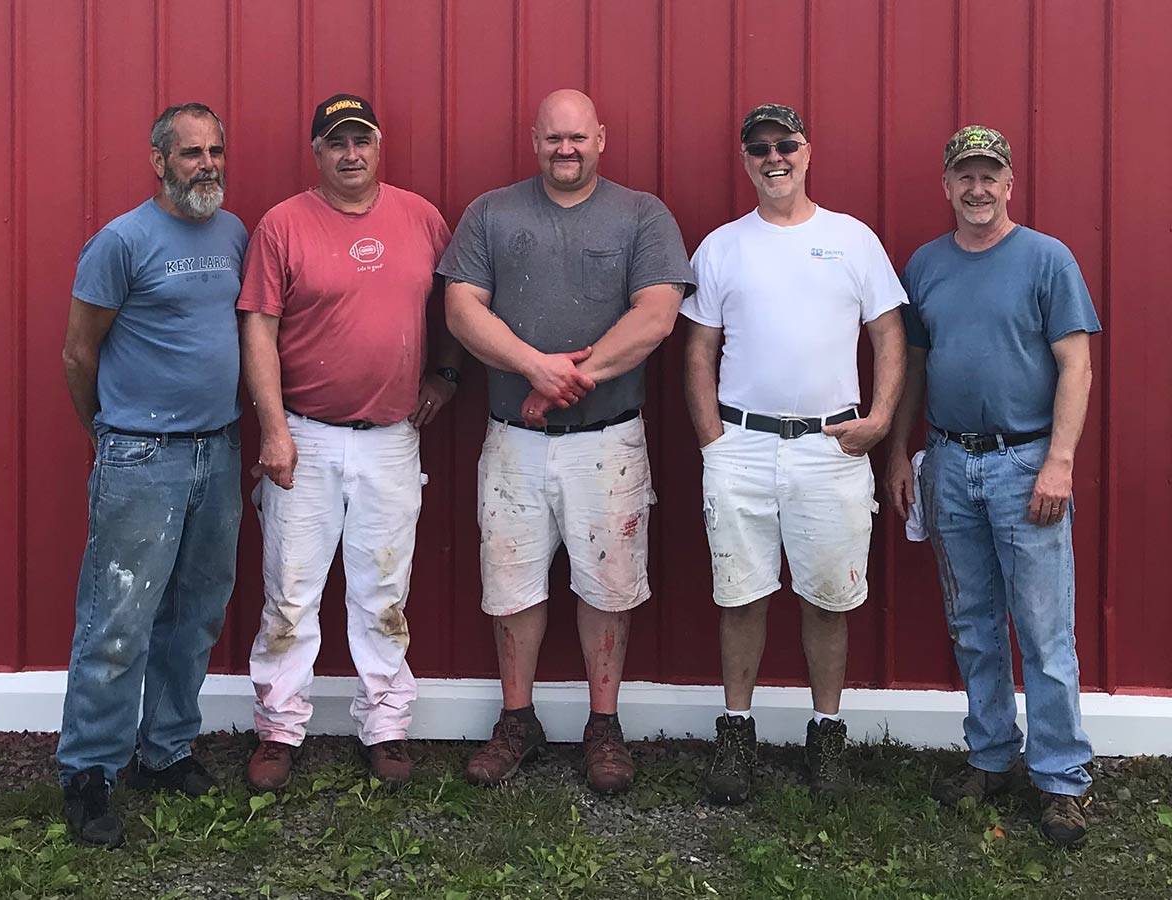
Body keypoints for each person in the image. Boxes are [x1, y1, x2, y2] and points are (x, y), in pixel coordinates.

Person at [440, 89, 695, 794]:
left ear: (601, 138)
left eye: (578, 137)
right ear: (534, 140)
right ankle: (517, 719)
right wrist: (534, 368)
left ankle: (603, 724)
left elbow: (657, 315)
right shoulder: (492, 213)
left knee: (609, 585)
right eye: (554, 138)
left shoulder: (642, 215)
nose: (566, 149)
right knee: (511, 582)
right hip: (512, 437)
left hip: (607, 442)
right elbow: (460, 309)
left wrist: (571, 378)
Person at [681, 103, 906, 803]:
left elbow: (889, 336)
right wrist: (711, 440)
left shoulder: (853, 240)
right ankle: (737, 734)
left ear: (808, 152)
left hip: (832, 444)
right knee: (741, 594)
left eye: (787, 145)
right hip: (741, 444)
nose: (774, 158)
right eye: (760, 149)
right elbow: (698, 347)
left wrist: (880, 418)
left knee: (827, 597)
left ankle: (826, 736)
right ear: (745, 160)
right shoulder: (722, 246)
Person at [885, 125, 1100, 846]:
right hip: (949, 461)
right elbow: (913, 366)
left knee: (1042, 631)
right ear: (946, 185)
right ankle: (989, 756)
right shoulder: (926, 265)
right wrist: (900, 454)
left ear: (1010, 184)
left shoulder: (1047, 260)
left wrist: (1060, 461)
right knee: (972, 622)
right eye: (965, 177)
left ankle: (1061, 780)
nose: (977, 189)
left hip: (1025, 463)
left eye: (990, 176)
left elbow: (1076, 365)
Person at [239, 93, 460, 790]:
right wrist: (273, 429)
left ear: (378, 143)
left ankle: (387, 726)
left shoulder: (421, 217)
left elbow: (456, 302)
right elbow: (258, 329)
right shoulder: (282, 225)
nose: (351, 154)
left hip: (392, 437)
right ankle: (279, 728)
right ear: (317, 152)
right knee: (291, 590)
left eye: (361, 139)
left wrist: (447, 373)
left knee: (383, 590)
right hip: (303, 434)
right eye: (337, 142)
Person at [58, 103, 247, 847]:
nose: (208, 164)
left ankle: (164, 750)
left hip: (220, 451)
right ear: (159, 161)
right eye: (192, 152)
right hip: (141, 455)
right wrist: (112, 433)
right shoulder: (120, 241)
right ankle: (89, 773)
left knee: (195, 610)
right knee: (118, 620)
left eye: (216, 150)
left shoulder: (233, 233)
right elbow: (79, 354)